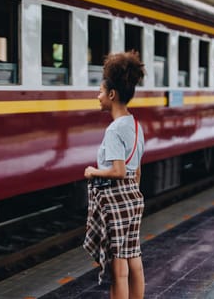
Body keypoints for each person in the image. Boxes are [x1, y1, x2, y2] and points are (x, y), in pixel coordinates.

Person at [83, 51, 146, 299]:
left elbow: (118, 171)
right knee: (134, 259)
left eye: (99, 92)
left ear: (112, 95)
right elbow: (136, 170)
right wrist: (131, 194)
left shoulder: (113, 130)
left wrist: (92, 171)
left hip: (116, 201)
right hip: (133, 197)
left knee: (117, 268)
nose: (97, 97)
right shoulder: (136, 125)